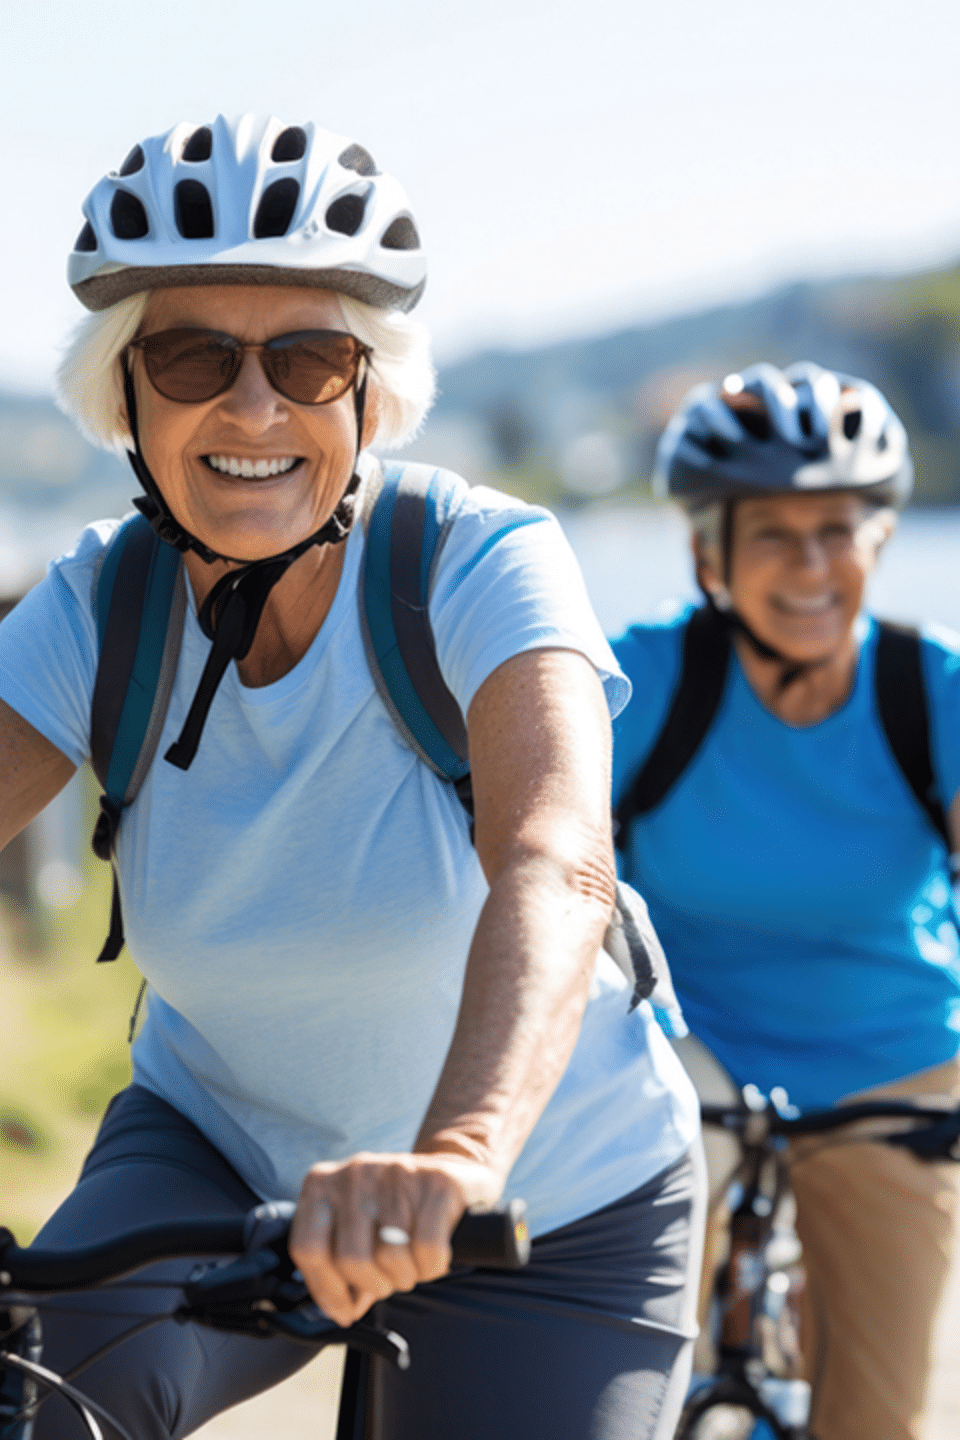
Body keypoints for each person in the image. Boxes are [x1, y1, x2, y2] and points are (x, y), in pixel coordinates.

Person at [0, 114, 703, 1439]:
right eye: (194, 356)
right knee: (39, 1406)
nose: (252, 407)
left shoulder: (482, 561)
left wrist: (454, 1162)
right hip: (215, 1148)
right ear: (125, 393)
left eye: (311, 358)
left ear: (370, 393)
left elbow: (557, 863)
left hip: (542, 1199)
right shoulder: (102, 603)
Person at [611, 360, 960, 1440]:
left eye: (839, 531)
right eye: (773, 534)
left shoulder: (928, 690)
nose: (811, 566)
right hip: (685, 1053)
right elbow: (530, 851)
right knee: (620, 1380)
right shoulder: (644, 682)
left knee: (874, 1416)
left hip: (892, 1063)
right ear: (707, 553)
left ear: (880, 541)